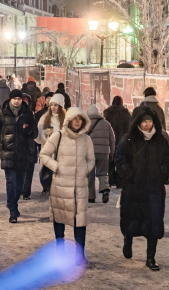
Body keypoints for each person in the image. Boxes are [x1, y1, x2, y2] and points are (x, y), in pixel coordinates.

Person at [115, 105, 169, 271]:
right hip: (134, 188)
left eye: (150, 121)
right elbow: (120, 159)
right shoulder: (129, 140)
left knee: (153, 222)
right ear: (138, 123)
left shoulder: (160, 140)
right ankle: (128, 239)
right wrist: (129, 174)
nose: (148, 125)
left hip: (154, 189)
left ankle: (151, 258)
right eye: (145, 121)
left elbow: (167, 158)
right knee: (132, 218)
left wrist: (162, 172)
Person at [40, 107, 95, 265]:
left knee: (80, 221)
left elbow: (91, 160)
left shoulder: (86, 139)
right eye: (75, 118)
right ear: (69, 120)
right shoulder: (58, 136)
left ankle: (79, 255)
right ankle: (60, 251)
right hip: (61, 185)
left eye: (80, 119)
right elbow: (44, 154)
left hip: (80, 187)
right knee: (59, 218)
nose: (77, 122)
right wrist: (56, 167)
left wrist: (85, 169)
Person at [0, 90, 38, 223]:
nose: (17, 101)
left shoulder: (27, 113)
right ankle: (13, 210)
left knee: (20, 185)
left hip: (23, 154)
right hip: (7, 152)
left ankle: (12, 202)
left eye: (19, 98)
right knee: (11, 182)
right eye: (14, 98)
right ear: (10, 99)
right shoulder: (2, 113)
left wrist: (28, 130)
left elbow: (35, 132)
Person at [35, 94, 66, 196]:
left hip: (62, 151)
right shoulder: (44, 118)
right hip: (48, 150)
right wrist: (43, 133)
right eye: (51, 105)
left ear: (61, 106)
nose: (53, 107)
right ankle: (46, 187)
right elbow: (37, 135)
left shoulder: (66, 120)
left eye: (56, 105)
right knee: (46, 171)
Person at [86, 105, 115, 204]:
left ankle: (91, 196)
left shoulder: (86, 124)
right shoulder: (107, 124)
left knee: (90, 174)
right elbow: (112, 139)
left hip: (90, 152)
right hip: (104, 152)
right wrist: (111, 152)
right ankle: (105, 190)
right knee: (103, 172)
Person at [103, 96, 132, 188]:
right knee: (120, 162)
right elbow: (129, 128)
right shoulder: (125, 113)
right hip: (122, 141)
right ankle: (119, 182)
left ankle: (111, 181)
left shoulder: (107, 112)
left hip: (109, 141)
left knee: (110, 161)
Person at [21, 93, 38, 200]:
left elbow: (36, 133)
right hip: (19, 149)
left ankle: (26, 192)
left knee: (29, 172)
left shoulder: (33, 116)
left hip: (30, 148)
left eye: (26, 102)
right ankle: (21, 190)